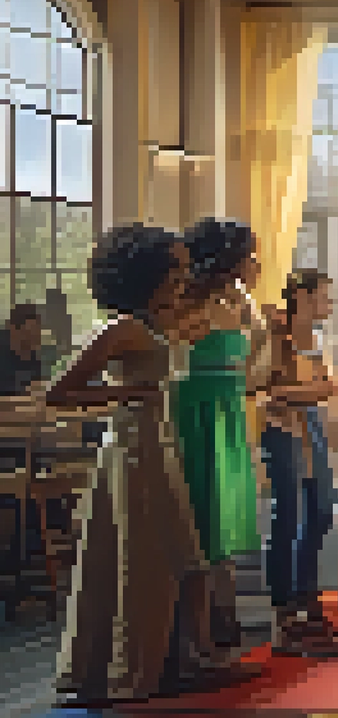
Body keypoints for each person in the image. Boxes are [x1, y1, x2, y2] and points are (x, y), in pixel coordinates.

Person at [51, 224, 249, 703]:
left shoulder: (155, 323)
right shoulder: (123, 328)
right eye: (175, 267)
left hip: (161, 445)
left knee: (181, 557)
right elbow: (63, 390)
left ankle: (174, 660)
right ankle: (138, 672)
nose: (183, 275)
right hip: (136, 451)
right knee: (148, 561)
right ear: (148, 272)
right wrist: (127, 393)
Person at [174, 218, 264, 656]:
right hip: (198, 415)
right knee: (203, 520)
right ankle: (201, 631)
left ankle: (224, 619)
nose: (257, 264)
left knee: (225, 521)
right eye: (250, 255)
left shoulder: (238, 298)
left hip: (228, 413)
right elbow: (169, 351)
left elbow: (257, 345)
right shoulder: (187, 302)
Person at [262, 269, 338, 657]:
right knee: (288, 515)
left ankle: (308, 601)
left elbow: (327, 386)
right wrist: (313, 391)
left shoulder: (317, 338)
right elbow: (272, 393)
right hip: (281, 429)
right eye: (324, 296)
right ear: (303, 296)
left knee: (322, 512)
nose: (329, 303)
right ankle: (283, 612)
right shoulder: (278, 335)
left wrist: (308, 393)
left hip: (311, 427)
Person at [0, 303, 46, 396]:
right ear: (14, 330)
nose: (37, 340)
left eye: (37, 335)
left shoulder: (34, 359)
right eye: (29, 335)